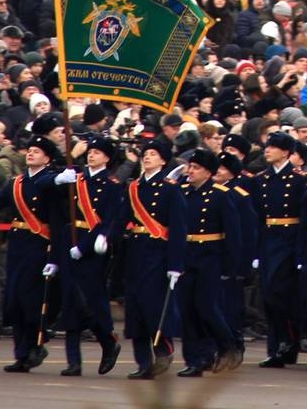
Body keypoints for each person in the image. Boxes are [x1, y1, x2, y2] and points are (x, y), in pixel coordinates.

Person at [55, 133, 122, 376]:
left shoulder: (112, 186)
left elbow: (109, 220)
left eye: (97, 152)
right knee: (70, 300)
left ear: (106, 158)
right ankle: (74, 361)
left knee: (91, 301)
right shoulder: (77, 179)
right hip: (69, 240)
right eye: (90, 151)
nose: (91, 155)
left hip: (92, 248)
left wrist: (84, 246)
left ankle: (108, 341)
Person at [122, 140, 187, 379]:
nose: (147, 157)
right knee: (135, 307)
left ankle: (163, 350)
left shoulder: (170, 189)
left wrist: (175, 265)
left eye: (153, 154)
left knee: (155, 306)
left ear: (162, 160)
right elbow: (124, 217)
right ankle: (142, 362)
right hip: (136, 251)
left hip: (158, 254)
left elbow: (178, 229)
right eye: (145, 154)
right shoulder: (133, 188)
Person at [175, 147, 243, 376]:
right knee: (187, 309)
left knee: (207, 307)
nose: (190, 171)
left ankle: (226, 345)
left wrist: (231, 266)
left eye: (195, 168)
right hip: (186, 254)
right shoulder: (182, 192)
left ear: (208, 172)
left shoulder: (221, 195)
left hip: (210, 256)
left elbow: (233, 234)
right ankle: (195, 359)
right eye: (189, 166)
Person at [2, 133, 65, 372]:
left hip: (39, 246)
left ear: (47, 159)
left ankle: (35, 345)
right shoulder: (16, 183)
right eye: (29, 150)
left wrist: (56, 258)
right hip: (18, 245)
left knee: (31, 302)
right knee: (14, 301)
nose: (30, 153)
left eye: (37, 151)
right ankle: (21, 353)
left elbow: (58, 223)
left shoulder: (51, 182)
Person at [250, 131, 306, 367]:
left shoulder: (299, 180)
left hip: (289, 240)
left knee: (281, 294)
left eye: (273, 147)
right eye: (267, 146)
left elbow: (304, 218)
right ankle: (276, 347)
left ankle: (289, 340)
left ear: (285, 152)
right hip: (269, 239)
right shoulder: (260, 180)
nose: (267, 150)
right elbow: (257, 216)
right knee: (268, 294)